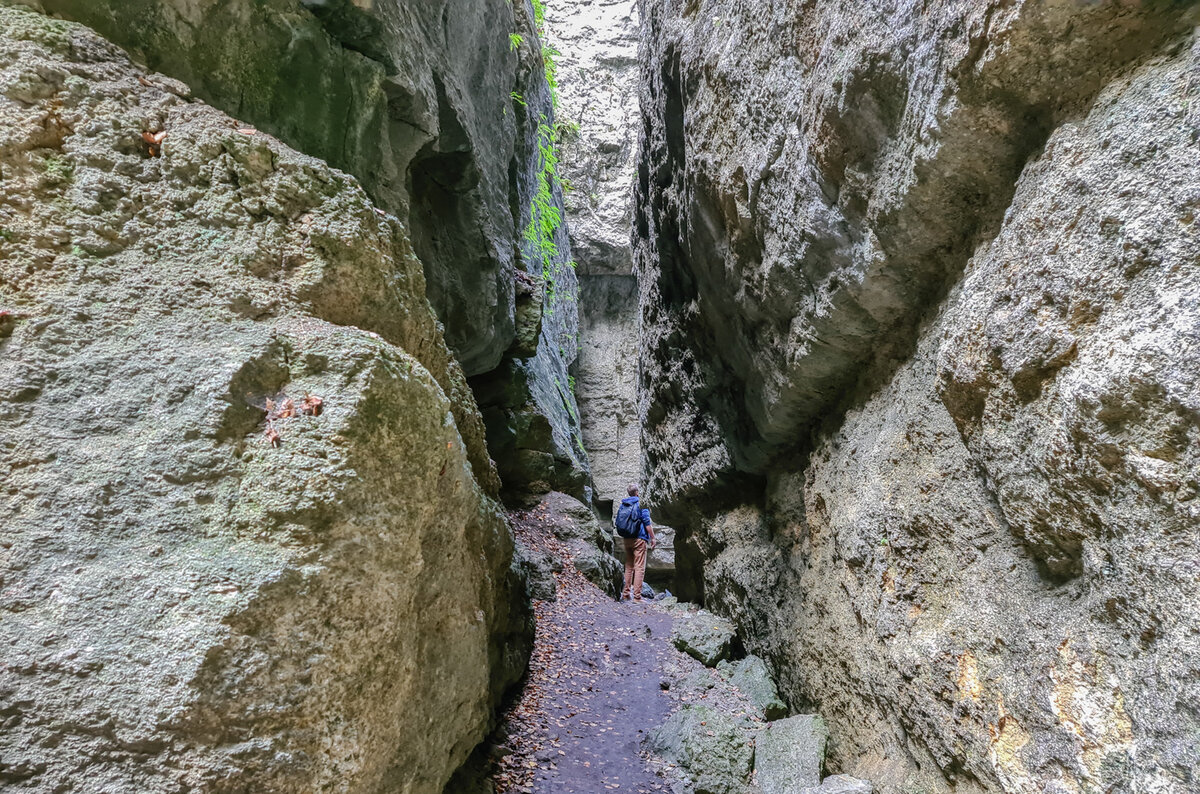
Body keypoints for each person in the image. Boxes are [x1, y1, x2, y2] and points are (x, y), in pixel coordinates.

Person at [618, 483, 656, 602]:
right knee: (639, 567)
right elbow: (647, 523)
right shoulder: (640, 503)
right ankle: (637, 597)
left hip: (626, 538)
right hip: (639, 539)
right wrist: (653, 538)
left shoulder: (623, 505)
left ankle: (625, 594)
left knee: (629, 567)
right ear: (637, 493)